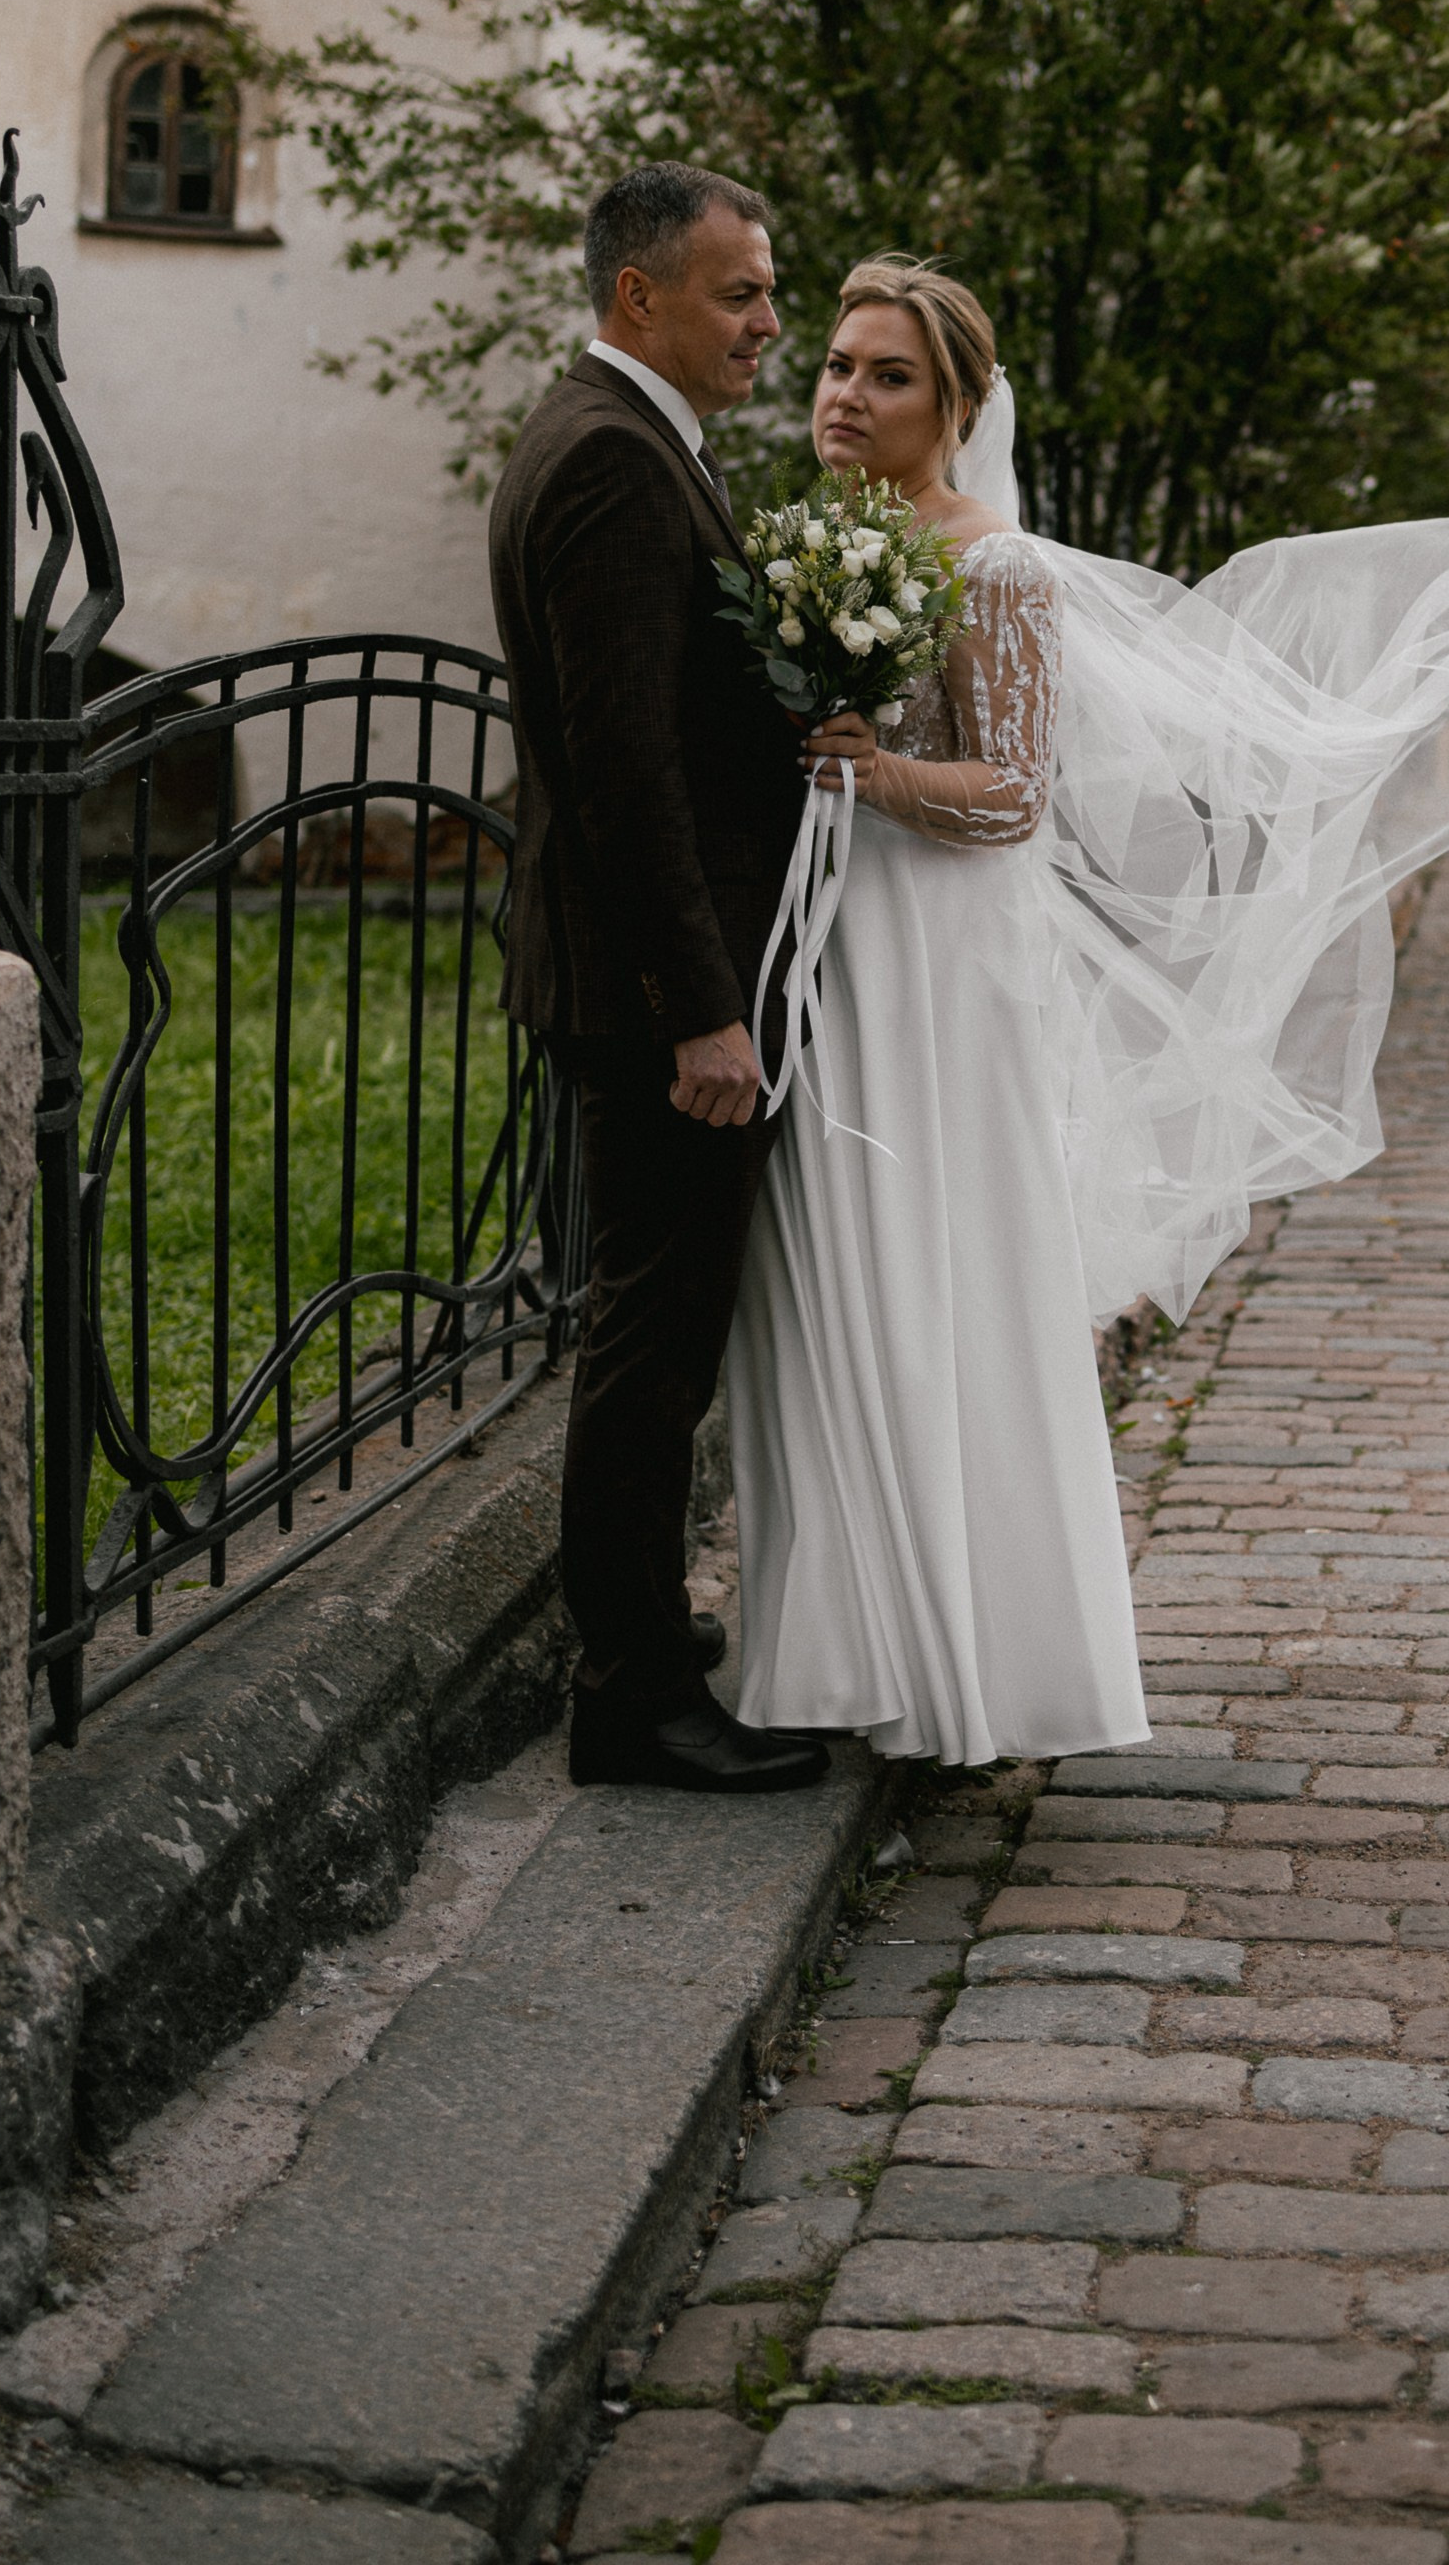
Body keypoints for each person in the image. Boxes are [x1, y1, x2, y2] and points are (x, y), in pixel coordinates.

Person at [724, 259, 1449, 1767]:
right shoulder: (821, 547)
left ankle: (969, 1656)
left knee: (943, 1272)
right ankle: (834, 1646)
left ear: (957, 408)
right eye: (838, 367)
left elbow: (1009, 796)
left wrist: (864, 771)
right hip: (844, 950)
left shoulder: (995, 571)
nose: (845, 398)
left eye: (890, 378)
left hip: (946, 960)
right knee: (833, 1278)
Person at [488, 164, 830, 1795]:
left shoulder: (625, 438)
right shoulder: (615, 463)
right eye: (742, 292)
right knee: (651, 1341)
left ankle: (651, 1651)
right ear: (642, 298)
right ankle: (628, 1695)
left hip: (656, 979)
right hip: (657, 1000)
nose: (775, 322)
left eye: (770, 293)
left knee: (662, 1327)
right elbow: (625, 773)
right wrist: (703, 1007)